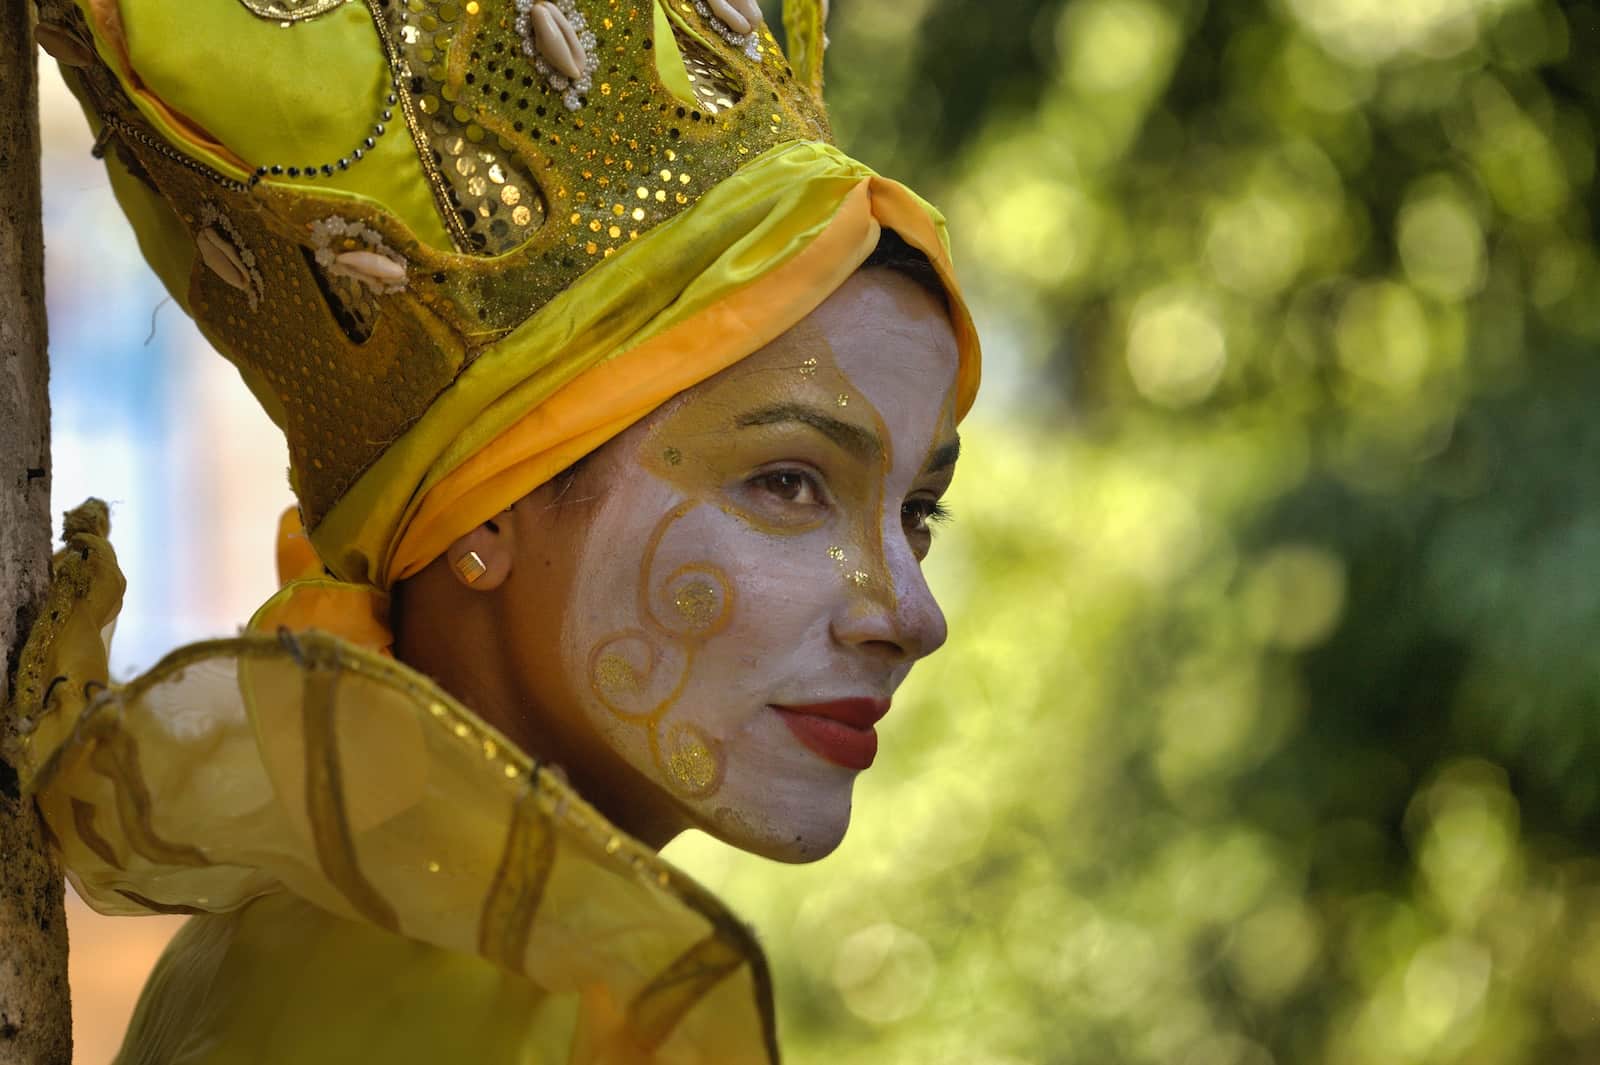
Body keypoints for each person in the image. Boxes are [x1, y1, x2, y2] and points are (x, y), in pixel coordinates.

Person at [14, 0, 980, 1060]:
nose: (911, 615)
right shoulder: (422, 1000)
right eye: (789, 483)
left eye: (916, 511)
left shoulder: (415, 944)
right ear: (487, 515)